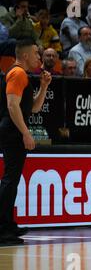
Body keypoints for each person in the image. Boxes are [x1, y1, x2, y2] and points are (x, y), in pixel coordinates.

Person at [0, 39, 52, 244]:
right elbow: (12, 106)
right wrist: (25, 133)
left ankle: (7, 225)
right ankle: (3, 228)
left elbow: (35, 108)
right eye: (36, 54)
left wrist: (44, 86)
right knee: (10, 180)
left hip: (14, 130)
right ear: (25, 56)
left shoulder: (23, 75)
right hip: (12, 131)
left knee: (11, 179)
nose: (40, 57)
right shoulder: (17, 73)